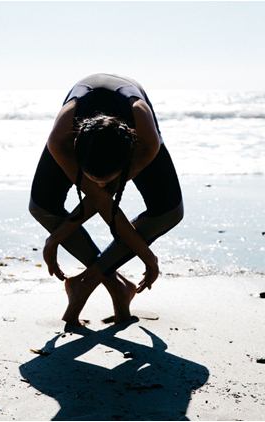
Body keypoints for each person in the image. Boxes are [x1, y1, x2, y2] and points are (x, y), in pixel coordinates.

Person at [29, 73, 183, 326]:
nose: (100, 186)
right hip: (82, 130)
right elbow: (99, 200)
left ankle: (85, 283)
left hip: (132, 129)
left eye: (108, 180)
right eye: (92, 179)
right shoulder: (62, 140)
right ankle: (116, 286)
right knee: (41, 206)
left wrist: (148, 256)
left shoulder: (145, 143)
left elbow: (104, 202)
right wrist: (53, 238)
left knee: (169, 211)